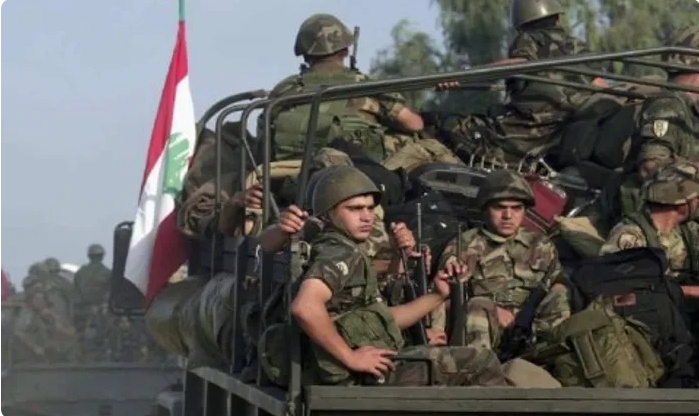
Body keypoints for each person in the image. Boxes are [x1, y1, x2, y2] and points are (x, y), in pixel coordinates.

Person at [290, 166, 508, 386]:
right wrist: (351, 357)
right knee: (481, 362)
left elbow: (382, 319)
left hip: (360, 368)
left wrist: (437, 295)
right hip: (359, 376)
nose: (366, 217)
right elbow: (305, 307)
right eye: (354, 209)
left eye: (370, 208)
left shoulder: (342, 248)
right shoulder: (340, 253)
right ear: (327, 214)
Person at [432, 170, 570, 353]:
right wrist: (492, 309)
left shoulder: (541, 245)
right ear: (485, 208)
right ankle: (476, 367)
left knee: (560, 295)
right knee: (477, 307)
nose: (508, 216)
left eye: (516, 208)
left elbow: (556, 283)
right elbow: (442, 296)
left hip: (530, 326)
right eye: (499, 207)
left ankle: (551, 356)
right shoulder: (465, 245)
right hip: (484, 325)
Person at [600, 161, 699, 289]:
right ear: (681, 204)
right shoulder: (630, 237)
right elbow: (619, 290)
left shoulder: (688, 231)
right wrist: (688, 291)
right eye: (696, 199)